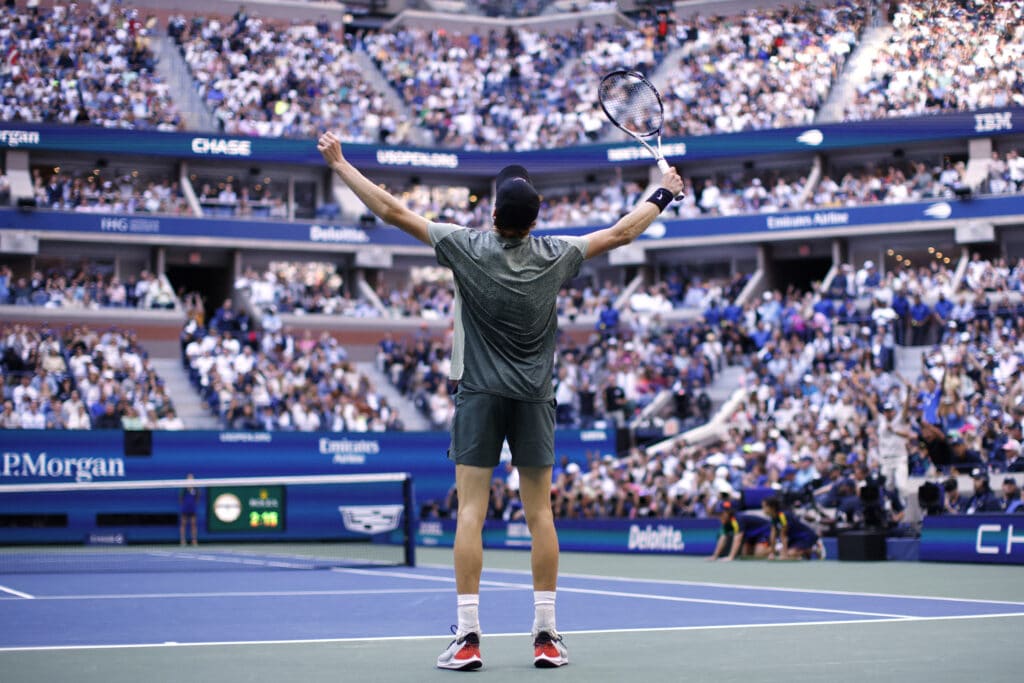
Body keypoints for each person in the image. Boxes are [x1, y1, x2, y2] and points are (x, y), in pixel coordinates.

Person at [318, 130, 683, 671]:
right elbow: (622, 233)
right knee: (541, 513)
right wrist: (663, 193)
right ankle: (546, 636)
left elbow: (392, 211)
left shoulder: (467, 247)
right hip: (534, 397)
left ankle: (468, 638)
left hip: (480, 392)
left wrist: (342, 165)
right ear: (535, 222)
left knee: (471, 510)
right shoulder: (557, 256)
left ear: (492, 216)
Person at [707, 500, 772, 561]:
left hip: (764, 530)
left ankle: (777, 548)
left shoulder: (736, 520)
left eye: (721, 513)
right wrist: (715, 556)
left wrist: (731, 557)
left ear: (729, 512)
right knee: (746, 554)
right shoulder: (726, 522)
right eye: (718, 514)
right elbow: (722, 538)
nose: (720, 516)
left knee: (759, 554)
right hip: (751, 535)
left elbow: (737, 539)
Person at [179, 472, 200, 546]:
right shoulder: (184, 489)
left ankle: (194, 541)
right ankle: (182, 541)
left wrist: (193, 505)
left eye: (191, 478)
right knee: (183, 524)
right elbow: (181, 499)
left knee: (193, 525)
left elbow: (197, 498)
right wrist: (184, 505)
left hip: (192, 509)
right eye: (189, 478)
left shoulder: (196, 489)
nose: (190, 479)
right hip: (185, 509)